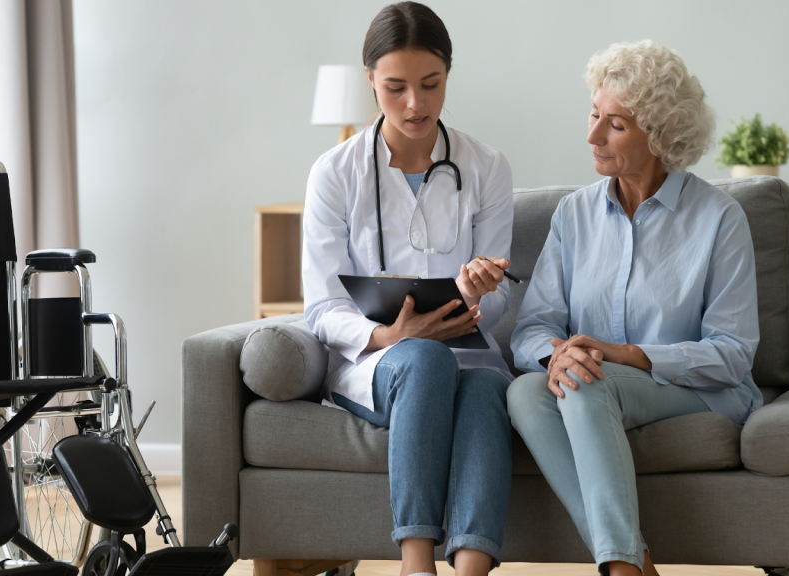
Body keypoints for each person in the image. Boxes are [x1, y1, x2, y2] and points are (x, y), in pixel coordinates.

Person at [507, 40, 763, 576]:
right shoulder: (574, 214)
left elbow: (734, 355)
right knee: (525, 391)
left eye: (615, 124)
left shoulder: (720, 219)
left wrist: (624, 355)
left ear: (661, 135)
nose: (592, 135)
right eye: (594, 115)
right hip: (594, 382)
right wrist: (556, 355)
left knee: (586, 381)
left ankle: (624, 569)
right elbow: (533, 328)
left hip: (698, 392)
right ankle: (633, 561)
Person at [302, 3, 515, 575]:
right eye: (395, 87)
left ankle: (472, 569)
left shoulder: (487, 167)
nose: (415, 104)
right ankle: (415, 565)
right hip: (374, 362)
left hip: (466, 351)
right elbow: (321, 306)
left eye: (431, 84)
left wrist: (477, 293)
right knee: (423, 358)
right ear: (369, 78)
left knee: (488, 388)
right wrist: (387, 334)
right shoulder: (334, 173)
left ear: (449, 74)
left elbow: (493, 304)